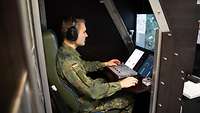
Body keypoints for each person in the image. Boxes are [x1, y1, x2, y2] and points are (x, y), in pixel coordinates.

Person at [56, 17, 138, 113]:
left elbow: (84, 65)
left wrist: (105, 64)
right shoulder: (69, 63)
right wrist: (121, 84)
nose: (86, 35)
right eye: (84, 32)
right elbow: (93, 92)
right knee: (128, 99)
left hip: (84, 95)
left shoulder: (65, 52)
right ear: (73, 35)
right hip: (87, 106)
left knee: (103, 81)